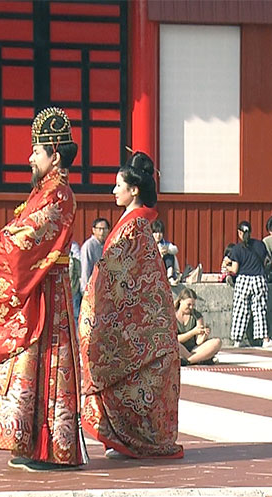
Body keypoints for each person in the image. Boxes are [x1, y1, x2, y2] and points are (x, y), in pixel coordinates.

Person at [0, 106, 85, 471]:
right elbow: (20, 232)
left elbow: (29, 238)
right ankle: (27, 441)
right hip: (35, 288)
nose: (29, 158)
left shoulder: (59, 194)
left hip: (47, 290)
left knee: (46, 362)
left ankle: (51, 447)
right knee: (26, 364)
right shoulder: (41, 193)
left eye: (36, 151)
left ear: (55, 155)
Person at [79, 151, 183, 460]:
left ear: (133, 190)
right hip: (137, 319)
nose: (114, 191)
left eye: (118, 185)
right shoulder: (134, 224)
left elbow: (121, 276)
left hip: (137, 322)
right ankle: (124, 437)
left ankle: (132, 439)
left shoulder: (133, 227)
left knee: (127, 373)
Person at [226, 221, 272, 348]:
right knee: (259, 310)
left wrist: (226, 267)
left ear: (239, 233)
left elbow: (234, 270)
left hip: (243, 280)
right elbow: (267, 261)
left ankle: (237, 340)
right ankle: (265, 339)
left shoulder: (237, 249)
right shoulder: (260, 245)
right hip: (258, 279)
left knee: (240, 311)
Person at [175, 287, 222, 366]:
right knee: (174, 344)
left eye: (193, 305)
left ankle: (189, 360)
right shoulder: (172, 316)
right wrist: (193, 332)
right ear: (181, 301)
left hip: (194, 349)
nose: (191, 307)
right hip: (179, 348)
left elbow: (198, 342)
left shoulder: (197, 316)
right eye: (188, 304)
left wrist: (204, 335)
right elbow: (175, 339)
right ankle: (199, 358)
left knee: (217, 342)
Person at [80, 217, 109, 294]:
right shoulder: (89, 245)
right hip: (91, 288)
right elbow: (86, 268)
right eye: (99, 229)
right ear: (93, 230)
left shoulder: (107, 245)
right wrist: (86, 290)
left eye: (104, 229)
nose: (102, 232)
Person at [151, 219, 181, 285]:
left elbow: (175, 249)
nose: (158, 235)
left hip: (165, 268)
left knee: (169, 255)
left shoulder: (165, 244)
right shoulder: (149, 244)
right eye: (155, 232)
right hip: (154, 268)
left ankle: (170, 277)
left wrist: (167, 250)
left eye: (160, 233)